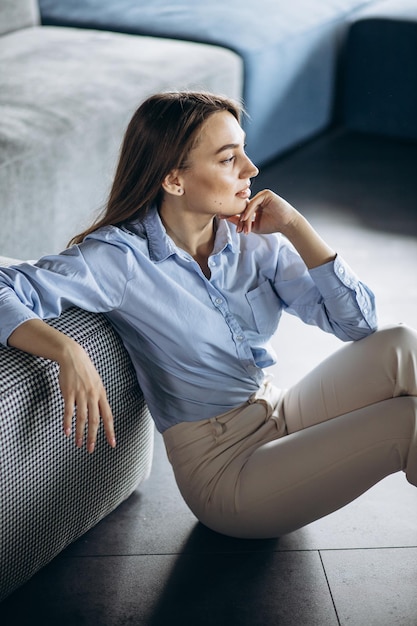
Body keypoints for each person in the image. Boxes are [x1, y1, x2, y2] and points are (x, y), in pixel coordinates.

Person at [0, 91, 416, 539]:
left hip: (280, 412)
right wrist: (65, 350)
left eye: (244, 151)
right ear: (174, 180)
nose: (251, 170)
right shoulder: (119, 259)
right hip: (226, 470)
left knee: (401, 344)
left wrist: (296, 227)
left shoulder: (256, 238)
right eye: (227, 159)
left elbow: (359, 325)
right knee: (407, 421)